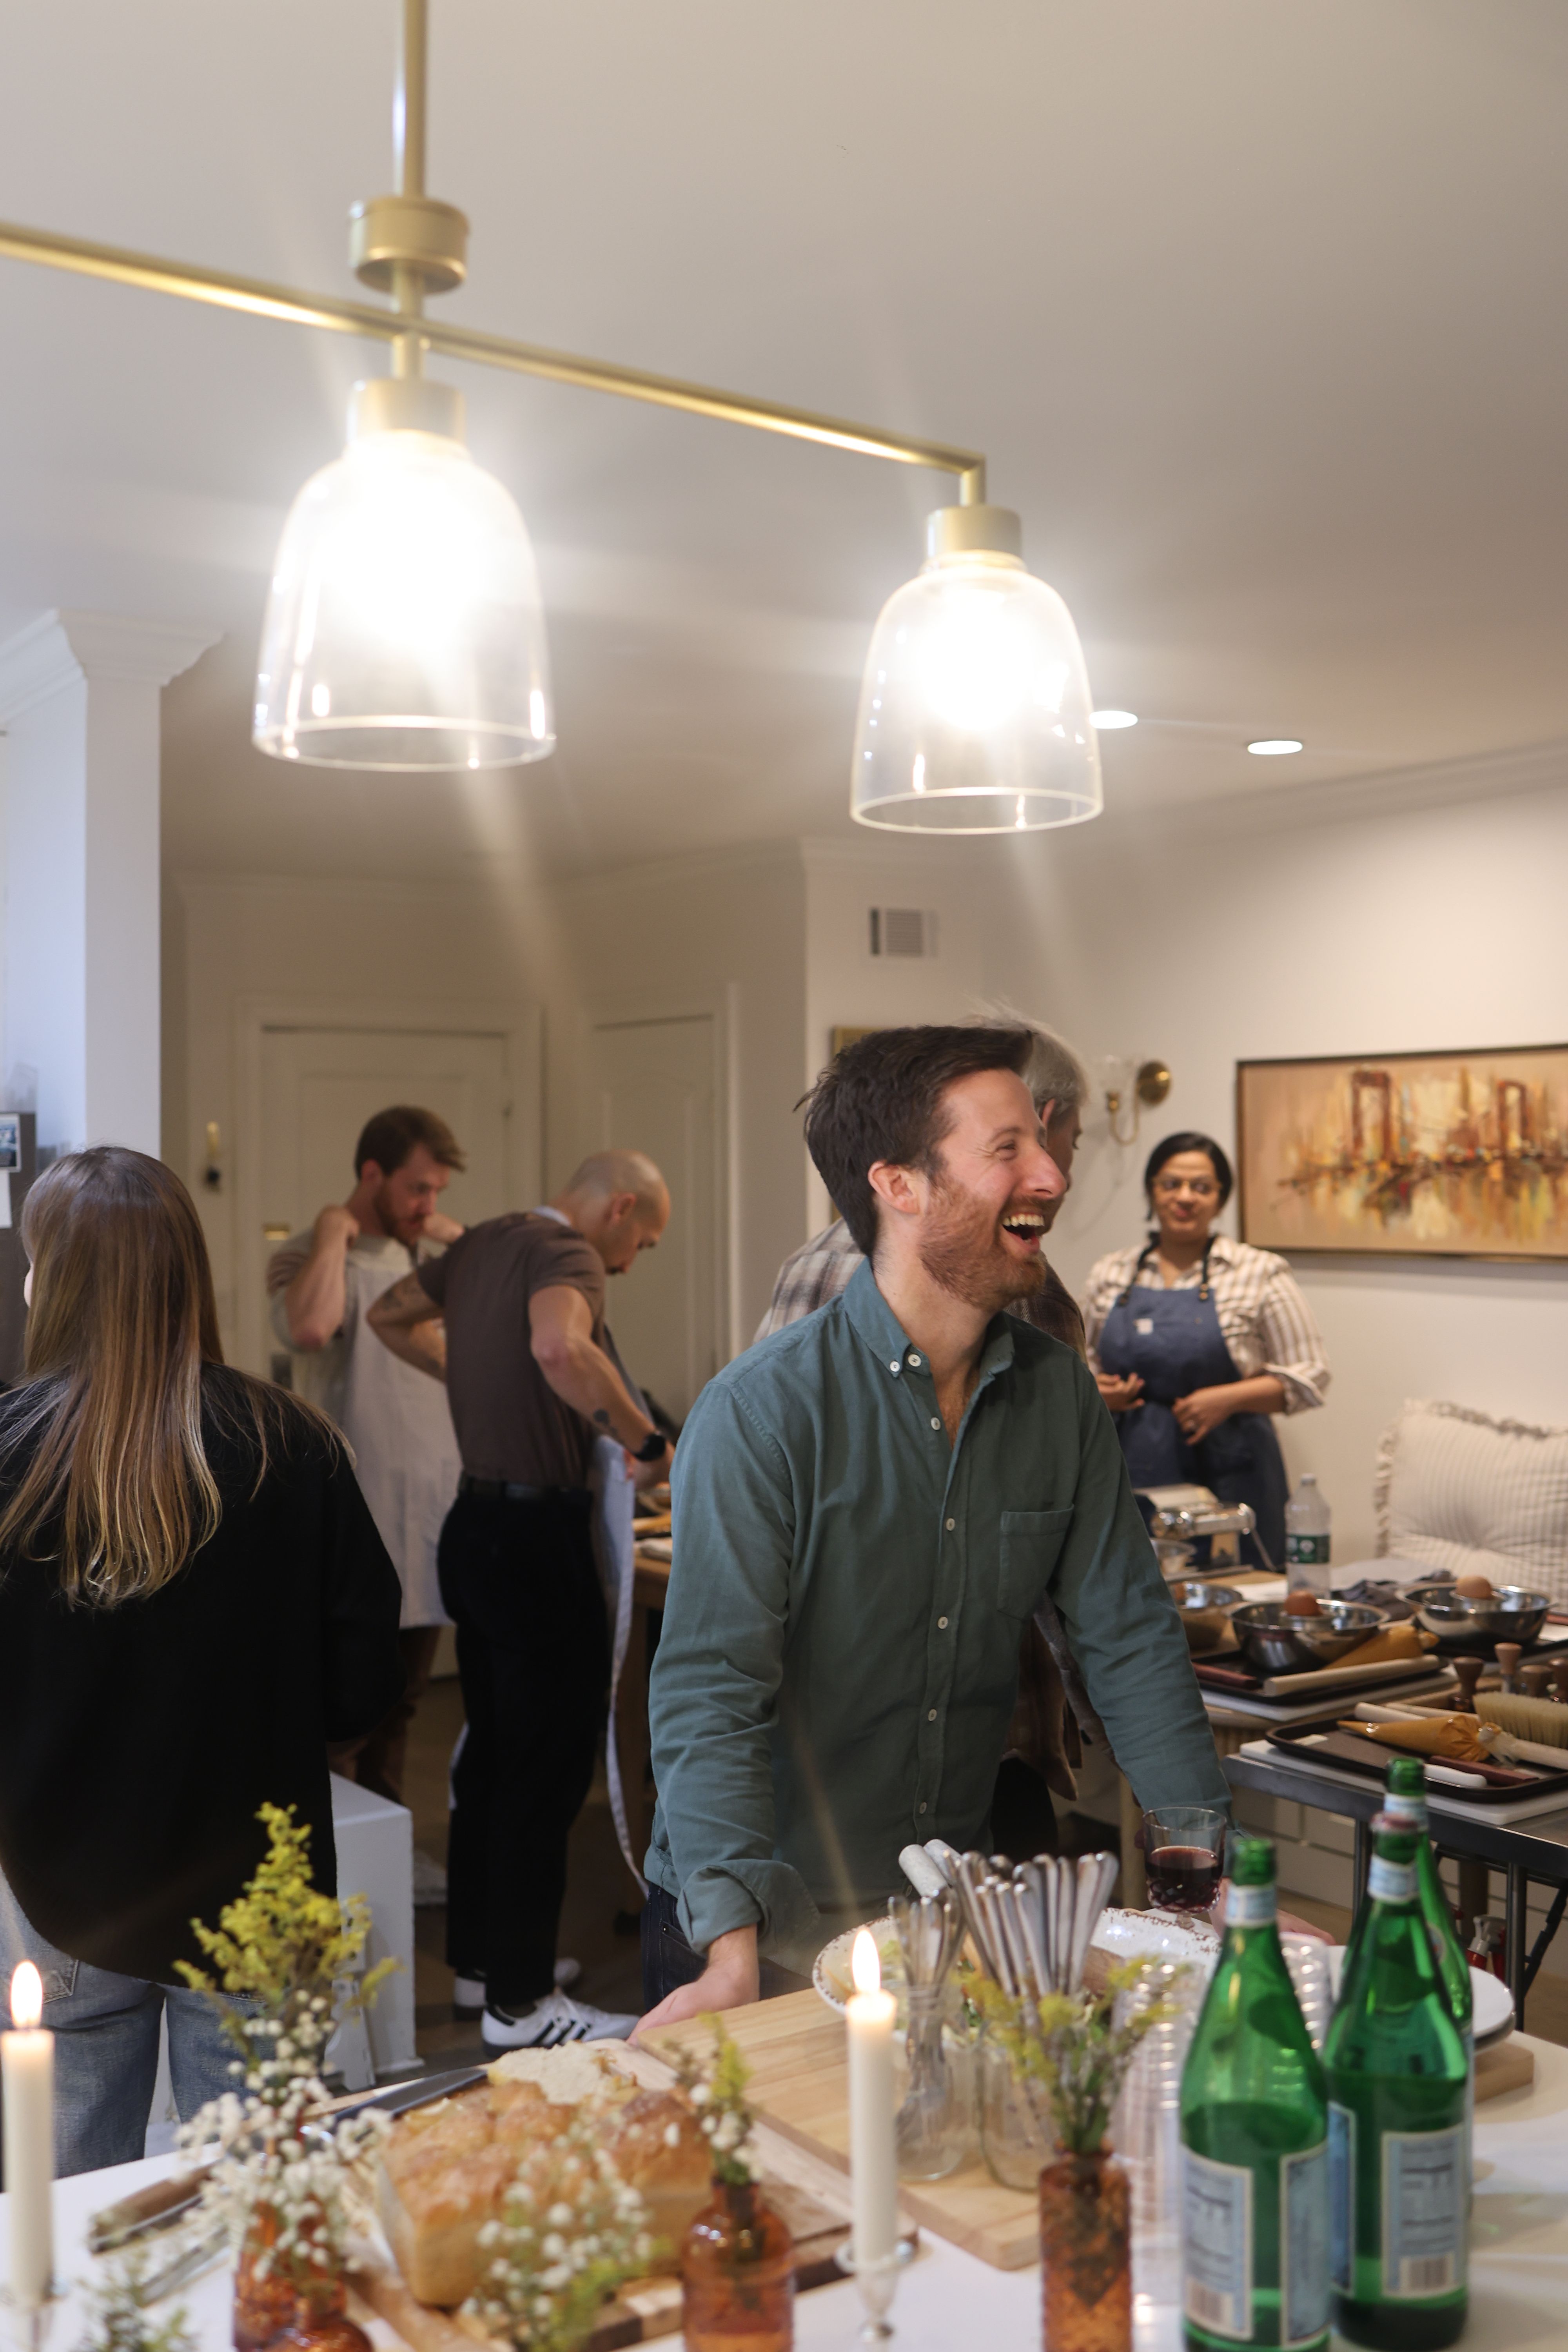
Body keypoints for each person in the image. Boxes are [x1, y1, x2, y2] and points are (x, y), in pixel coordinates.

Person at [638, 1026, 1227, 2033]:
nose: (1049, 1171)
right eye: (1007, 1149)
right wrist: (729, 1957)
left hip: (947, 1915)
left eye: (1042, 1141)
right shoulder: (760, 1413)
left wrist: (1214, 1888)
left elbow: (1128, 1639)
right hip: (764, 1924)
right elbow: (711, 1693)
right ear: (899, 1187)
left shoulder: (1058, 1402)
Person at [0, 1149, 403, 2174]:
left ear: (58, 1277)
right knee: (259, 2214)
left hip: (65, 1894)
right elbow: (363, 1685)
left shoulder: (8, 1454)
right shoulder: (293, 1446)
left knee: (72, 2226)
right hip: (259, 1896)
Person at [753, 1021, 1095, 1859]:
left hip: (885, 1778)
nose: (1055, 1174)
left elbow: (1124, 1614)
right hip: (880, 1797)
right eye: (1018, 1144)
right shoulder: (1013, 1286)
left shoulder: (813, 1257)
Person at [369, 1151, 674, 2049]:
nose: (628, 1264)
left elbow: (390, 1316)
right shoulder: (569, 1255)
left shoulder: (487, 1239)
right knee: (541, 1771)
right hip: (537, 1543)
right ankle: (522, 2004)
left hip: (473, 1526)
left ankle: (484, 1967)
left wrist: (473, 1374)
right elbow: (558, 1345)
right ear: (617, 1209)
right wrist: (645, 1438)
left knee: (489, 1759)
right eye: (642, 1243)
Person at [267, 1105, 466, 1804]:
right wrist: (330, 1233)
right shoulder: (303, 1253)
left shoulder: (432, 1259)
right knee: (343, 1705)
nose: (428, 1205)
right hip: (354, 1509)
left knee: (406, 1697)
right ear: (371, 1174)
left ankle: (397, 1848)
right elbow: (312, 1328)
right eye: (418, 1189)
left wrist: (450, 1236)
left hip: (429, 1506)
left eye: (437, 1191)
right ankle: (340, 1856)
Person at [1082, 1131, 1330, 1570]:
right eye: (1170, 1184)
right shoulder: (1111, 1273)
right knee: (1131, 1588)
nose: (1185, 1198)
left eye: (1201, 1187)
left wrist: (1228, 1398)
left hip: (1233, 1469)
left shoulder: (1257, 1271)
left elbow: (1310, 1377)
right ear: (1151, 1191)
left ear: (1220, 1199)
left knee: (1235, 1593)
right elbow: (1078, 1363)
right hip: (1129, 1465)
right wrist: (1094, 1391)